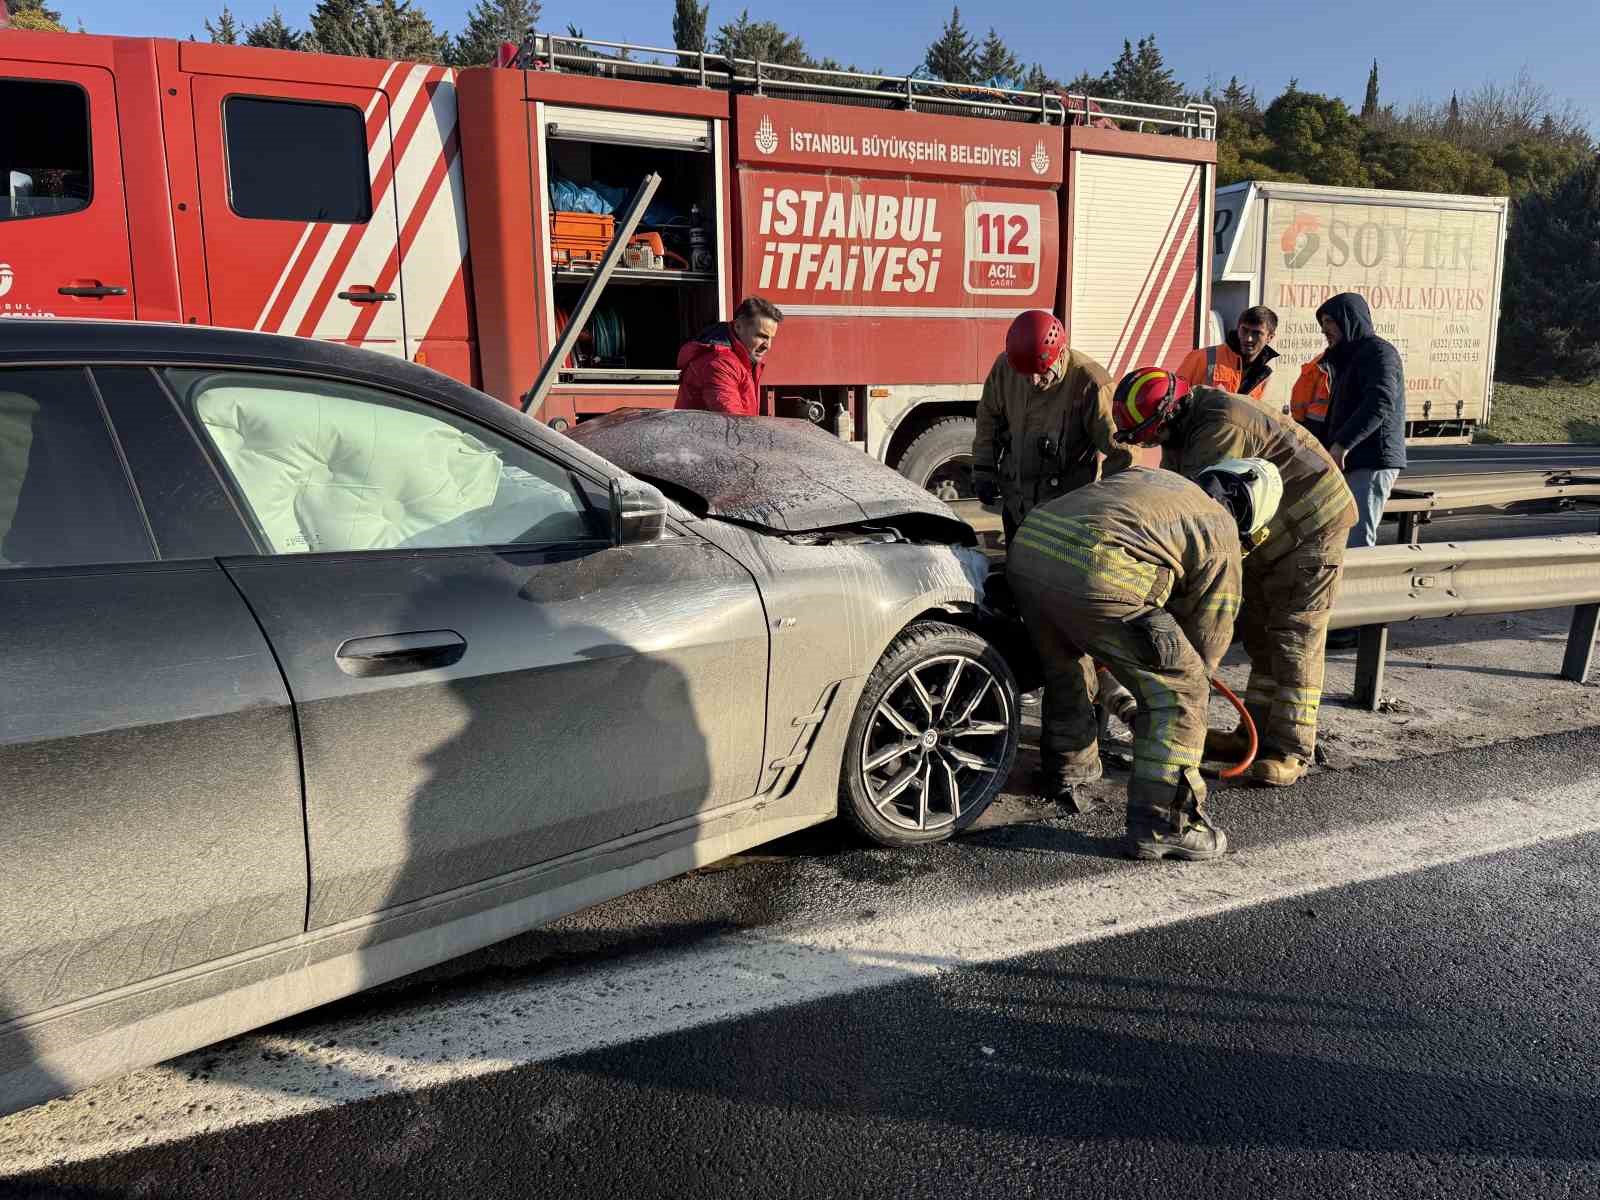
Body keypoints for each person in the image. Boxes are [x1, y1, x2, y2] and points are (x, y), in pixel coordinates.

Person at [1006, 460, 1283, 861]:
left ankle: (1070, 770)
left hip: (1028, 553)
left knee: (1067, 663)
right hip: (1094, 572)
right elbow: (1208, 642)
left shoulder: (1157, 480)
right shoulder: (1222, 532)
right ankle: (1166, 825)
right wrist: (1170, 702)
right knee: (1182, 688)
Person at [1110, 366, 1356, 787]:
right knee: (1261, 636)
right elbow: (1174, 497)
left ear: (1167, 416)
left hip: (1311, 525)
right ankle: (1253, 736)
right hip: (1266, 532)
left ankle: (1291, 748)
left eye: (1147, 434)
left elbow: (1205, 517)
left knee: (1294, 633)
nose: (1146, 444)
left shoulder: (1220, 428)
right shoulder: (1185, 426)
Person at [971, 310, 1133, 548]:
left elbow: (1124, 452)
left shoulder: (1091, 383)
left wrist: (1105, 507)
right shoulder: (1005, 368)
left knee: (1051, 582)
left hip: (1064, 516)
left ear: (1059, 354)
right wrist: (984, 470)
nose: (1034, 381)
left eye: (1042, 372)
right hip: (1016, 506)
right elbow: (988, 420)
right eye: (1026, 374)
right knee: (1016, 577)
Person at [1315, 292, 1407, 548]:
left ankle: (1360, 585)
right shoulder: (1348, 358)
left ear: (1349, 319)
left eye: (1330, 322)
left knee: (1357, 540)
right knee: (1340, 535)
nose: (1325, 330)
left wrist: (1342, 444)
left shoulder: (1378, 353)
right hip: (1354, 460)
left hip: (1372, 459)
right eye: (1322, 323)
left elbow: (1380, 402)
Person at [673, 297, 783, 416]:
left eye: (771, 338)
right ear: (738, 327)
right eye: (762, 336)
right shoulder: (721, 364)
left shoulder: (742, 361)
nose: (768, 346)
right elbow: (734, 422)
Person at [1176, 306, 1280, 402]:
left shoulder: (1265, 375)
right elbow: (1174, 398)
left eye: (1257, 333)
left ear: (1269, 338)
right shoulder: (1201, 357)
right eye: (1244, 330)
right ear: (1238, 329)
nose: (1249, 338)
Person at [1290, 352, 1333, 447]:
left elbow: (1301, 393)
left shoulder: (1321, 360)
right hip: (1345, 424)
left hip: (1316, 422)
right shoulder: (1363, 358)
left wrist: (1298, 419)